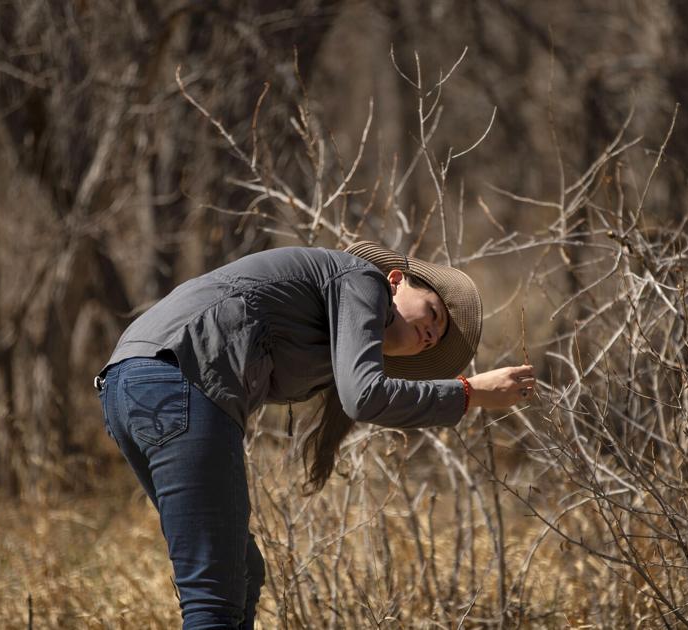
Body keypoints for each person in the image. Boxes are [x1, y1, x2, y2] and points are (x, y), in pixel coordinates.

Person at [94, 241, 535, 629]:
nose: (432, 334)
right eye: (435, 313)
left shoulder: (335, 342)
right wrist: (470, 392)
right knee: (214, 597)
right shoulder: (362, 280)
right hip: (177, 379)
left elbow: (355, 397)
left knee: (243, 572)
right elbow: (365, 397)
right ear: (397, 280)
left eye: (436, 341)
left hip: (127, 385)